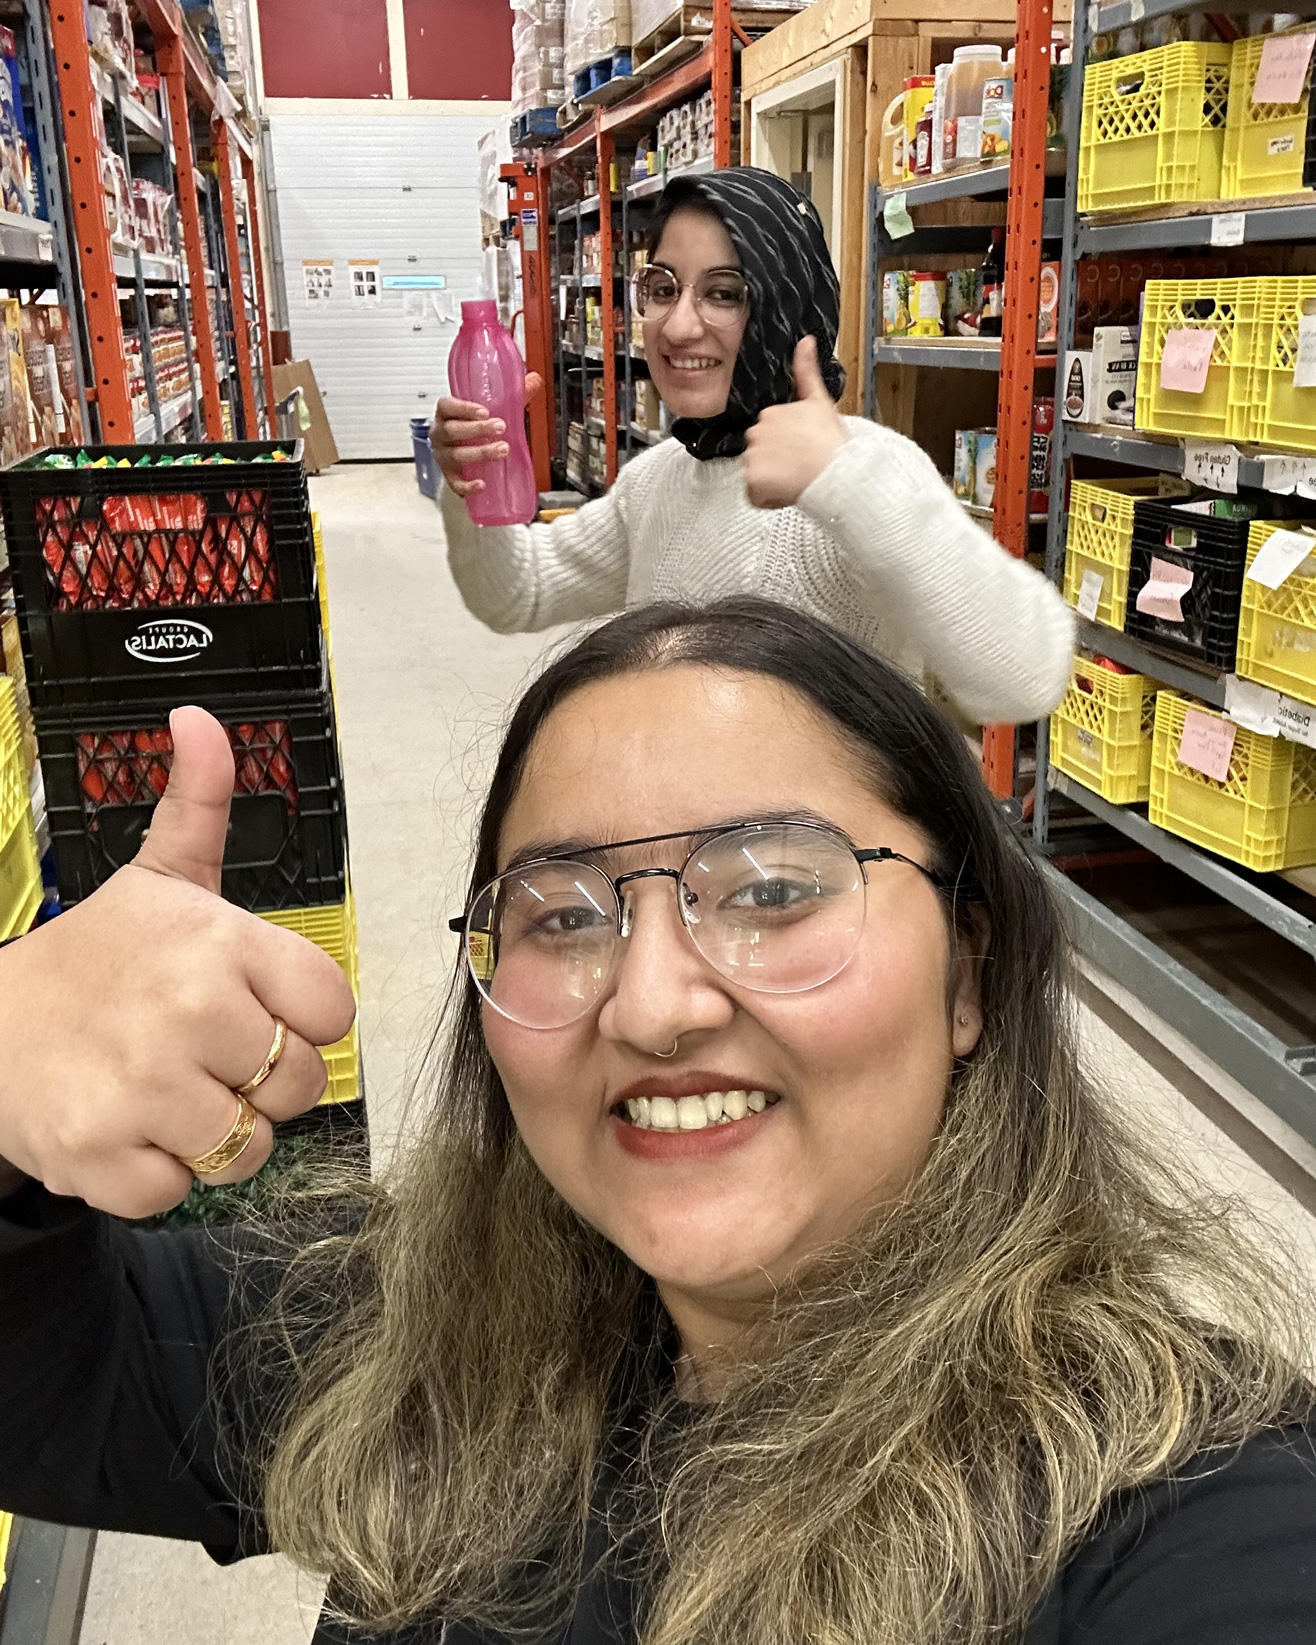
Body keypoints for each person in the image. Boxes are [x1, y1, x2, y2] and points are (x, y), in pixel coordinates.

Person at [1, 599, 1314, 1645]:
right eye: (563, 914)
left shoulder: (1173, 1502)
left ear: (968, 971)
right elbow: (49, 1387)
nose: (652, 1001)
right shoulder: (411, 1326)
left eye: (773, 889)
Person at [432, 168, 1074, 727]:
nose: (680, 327)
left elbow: (1025, 674)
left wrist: (847, 479)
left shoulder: (863, 466)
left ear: (786, 307)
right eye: (663, 287)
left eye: (725, 292)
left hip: (838, 864)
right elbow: (520, 594)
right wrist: (473, 485)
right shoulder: (659, 479)